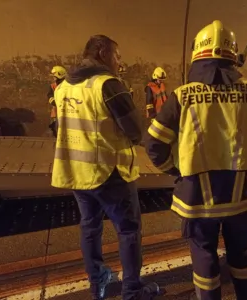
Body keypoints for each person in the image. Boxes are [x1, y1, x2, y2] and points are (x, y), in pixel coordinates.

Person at [145, 20, 247, 300]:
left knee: (204, 259)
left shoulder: (181, 96)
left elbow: (153, 144)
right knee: (242, 256)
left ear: (197, 56)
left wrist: (174, 169)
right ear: (232, 56)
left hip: (198, 200)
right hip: (241, 198)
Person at [51, 34, 162, 300]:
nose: (119, 62)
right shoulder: (109, 85)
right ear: (102, 53)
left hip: (76, 173)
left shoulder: (65, 86)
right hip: (109, 173)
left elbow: (59, 127)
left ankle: (97, 281)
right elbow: (135, 131)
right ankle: (132, 290)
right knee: (128, 230)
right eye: (117, 55)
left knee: (90, 226)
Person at [47, 65, 67, 137]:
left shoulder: (67, 86)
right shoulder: (52, 86)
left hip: (66, 111)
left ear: (59, 76)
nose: (53, 78)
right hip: (56, 112)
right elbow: (49, 96)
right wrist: (53, 102)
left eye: (54, 76)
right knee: (55, 128)